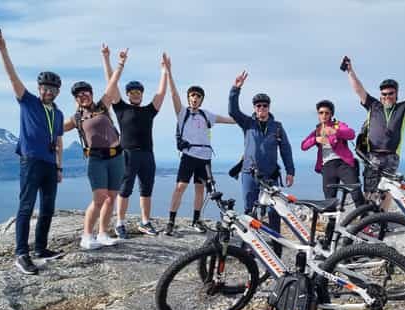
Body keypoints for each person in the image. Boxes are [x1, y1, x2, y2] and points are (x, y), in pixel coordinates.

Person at [0, 29, 64, 275]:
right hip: (30, 161)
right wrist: (3, 50)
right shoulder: (29, 102)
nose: (48, 92)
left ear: (57, 92)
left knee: (48, 208)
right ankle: (21, 253)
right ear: (39, 88)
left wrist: (59, 166)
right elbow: (12, 78)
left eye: (52, 89)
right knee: (26, 207)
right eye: (44, 87)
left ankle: (41, 249)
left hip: (48, 165)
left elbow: (57, 141)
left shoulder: (58, 113)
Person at [342, 56, 405, 208]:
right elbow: (359, 89)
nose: (387, 96)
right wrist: (350, 71)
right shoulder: (373, 106)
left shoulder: (403, 108)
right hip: (373, 155)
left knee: (387, 190)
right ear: (380, 96)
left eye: (390, 93)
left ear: (396, 94)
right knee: (370, 188)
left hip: (391, 156)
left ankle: (382, 220)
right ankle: (369, 220)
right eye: (384, 94)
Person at [162, 53, 237, 236]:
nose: (195, 98)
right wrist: (168, 72)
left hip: (204, 158)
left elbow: (229, 120)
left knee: (199, 190)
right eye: (192, 95)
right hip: (188, 156)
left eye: (198, 96)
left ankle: (196, 220)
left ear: (201, 99)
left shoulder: (206, 115)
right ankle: (171, 221)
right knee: (180, 187)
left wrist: (247, 119)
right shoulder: (182, 113)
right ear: (188, 98)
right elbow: (173, 93)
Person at [100, 45, 168, 239]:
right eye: (132, 92)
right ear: (128, 94)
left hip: (147, 154)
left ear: (142, 94)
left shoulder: (149, 111)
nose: (135, 94)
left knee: (146, 189)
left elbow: (161, 94)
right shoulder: (121, 109)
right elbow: (111, 84)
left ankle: (145, 222)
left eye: (138, 92)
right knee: (125, 190)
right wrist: (108, 59)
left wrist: (164, 70)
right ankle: (120, 223)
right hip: (127, 154)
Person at [64, 49, 127, 250]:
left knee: (111, 197)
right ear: (76, 99)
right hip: (97, 160)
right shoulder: (76, 118)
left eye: (86, 93)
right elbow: (55, 128)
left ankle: (102, 234)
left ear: (91, 93)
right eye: (79, 95)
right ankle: (86, 236)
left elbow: (112, 83)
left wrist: (119, 63)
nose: (83, 96)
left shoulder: (102, 106)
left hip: (117, 157)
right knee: (99, 198)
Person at [228, 71, 295, 247]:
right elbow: (232, 111)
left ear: (269, 107)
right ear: (254, 108)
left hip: (270, 175)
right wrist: (235, 88)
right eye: (258, 106)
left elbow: (286, 150)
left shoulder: (277, 127)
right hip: (249, 173)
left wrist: (290, 171)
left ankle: (276, 244)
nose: (261, 108)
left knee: (274, 212)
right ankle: (248, 246)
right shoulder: (247, 123)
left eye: (264, 105)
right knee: (249, 210)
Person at [300, 100, 365, 206]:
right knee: (329, 201)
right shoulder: (317, 131)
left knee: (357, 194)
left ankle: (366, 221)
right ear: (318, 115)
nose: (324, 115)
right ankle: (332, 223)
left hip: (344, 164)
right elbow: (303, 146)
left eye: (327, 113)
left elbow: (351, 134)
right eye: (321, 113)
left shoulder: (337, 125)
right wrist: (316, 140)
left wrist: (335, 132)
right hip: (327, 167)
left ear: (331, 114)